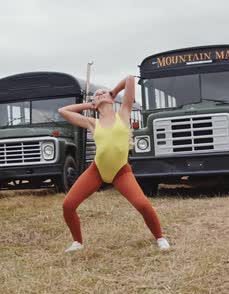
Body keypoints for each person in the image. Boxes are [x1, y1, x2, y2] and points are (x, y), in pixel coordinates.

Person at [58, 75, 170, 252]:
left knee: (142, 205)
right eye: (97, 95)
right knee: (68, 205)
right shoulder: (93, 123)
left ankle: (160, 237)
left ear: (111, 98)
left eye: (103, 93)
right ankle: (77, 242)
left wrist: (113, 92)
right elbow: (63, 111)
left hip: (121, 171)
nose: (100, 94)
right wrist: (89, 105)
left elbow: (130, 80)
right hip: (97, 170)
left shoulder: (124, 113)